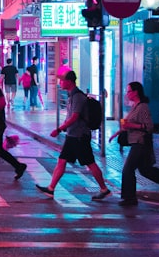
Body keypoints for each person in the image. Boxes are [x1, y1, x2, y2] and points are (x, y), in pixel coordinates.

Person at [36, 71, 111, 201]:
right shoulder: (72, 96)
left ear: (69, 82)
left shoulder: (77, 97)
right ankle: (51, 188)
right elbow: (71, 117)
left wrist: (59, 129)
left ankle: (104, 189)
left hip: (79, 137)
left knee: (90, 163)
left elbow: (75, 117)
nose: (60, 83)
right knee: (62, 160)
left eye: (62, 80)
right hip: (73, 135)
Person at [111, 81, 159, 206]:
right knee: (145, 170)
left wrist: (131, 125)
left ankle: (130, 197)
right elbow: (128, 124)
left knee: (128, 169)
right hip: (134, 141)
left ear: (136, 92)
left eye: (129, 91)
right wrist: (119, 132)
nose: (127, 94)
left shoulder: (143, 107)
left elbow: (149, 126)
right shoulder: (135, 106)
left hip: (140, 142)